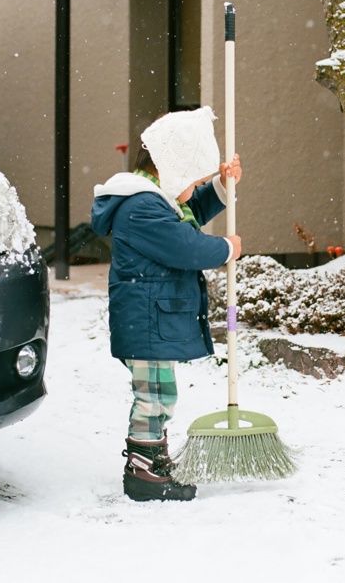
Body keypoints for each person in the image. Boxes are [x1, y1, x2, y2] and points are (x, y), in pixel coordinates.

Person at [90, 106, 242, 502]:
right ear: (171, 169)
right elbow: (185, 245)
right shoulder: (142, 207)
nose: (194, 188)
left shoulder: (155, 198)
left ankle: (152, 461)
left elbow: (189, 213)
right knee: (154, 396)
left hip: (151, 318)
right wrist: (226, 248)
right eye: (194, 179)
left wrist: (222, 187)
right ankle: (143, 472)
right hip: (145, 320)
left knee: (157, 394)